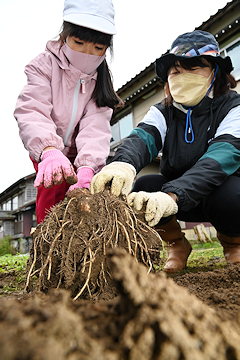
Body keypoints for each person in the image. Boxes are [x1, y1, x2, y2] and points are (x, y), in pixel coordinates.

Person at [90, 30, 240, 273]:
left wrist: (172, 195)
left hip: (217, 190)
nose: (182, 77)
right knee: (143, 187)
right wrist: (122, 165)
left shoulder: (233, 107)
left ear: (215, 71)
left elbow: (221, 158)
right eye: (176, 71)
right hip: (173, 191)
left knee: (234, 195)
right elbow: (143, 137)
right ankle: (176, 245)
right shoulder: (163, 111)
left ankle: (234, 244)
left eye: (193, 68)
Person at [14, 0, 123, 224]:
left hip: (82, 154)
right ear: (64, 36)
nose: (87, 53)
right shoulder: (43, 66)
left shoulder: (99, 80)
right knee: (51, 194)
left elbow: (96, 127)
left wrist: (87, 167)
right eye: (79, 42)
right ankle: (48, 245)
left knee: (86, 200)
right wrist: (49, 150)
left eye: (98, 48)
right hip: (48, 151)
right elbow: (32, 109)